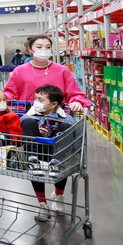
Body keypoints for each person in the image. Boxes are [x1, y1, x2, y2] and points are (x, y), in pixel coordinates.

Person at [4, 35, 90, 221]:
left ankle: (58, 194)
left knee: (59, 158)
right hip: (30, 122)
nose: (44, 49)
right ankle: (41, 203)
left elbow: (77, 94)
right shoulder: (19, 72)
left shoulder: (62, 71)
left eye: (48, 46)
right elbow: (9, 94)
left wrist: (75, 102)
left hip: (58, 120)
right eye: (39, 46)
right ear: (30, 50)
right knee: (35, 161)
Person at [20, 85, 77, 222]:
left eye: (40, 100)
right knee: (28, 123)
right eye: (35, 98)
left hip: (56, 153)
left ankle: (58, 195)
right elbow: (19, 128)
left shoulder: (65, 118)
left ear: (54, 104)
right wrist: (36, 128)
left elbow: (76, 137)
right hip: (36, 151)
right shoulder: (29, 115)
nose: (36, 102)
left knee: (67, 129)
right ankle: (42, 203)